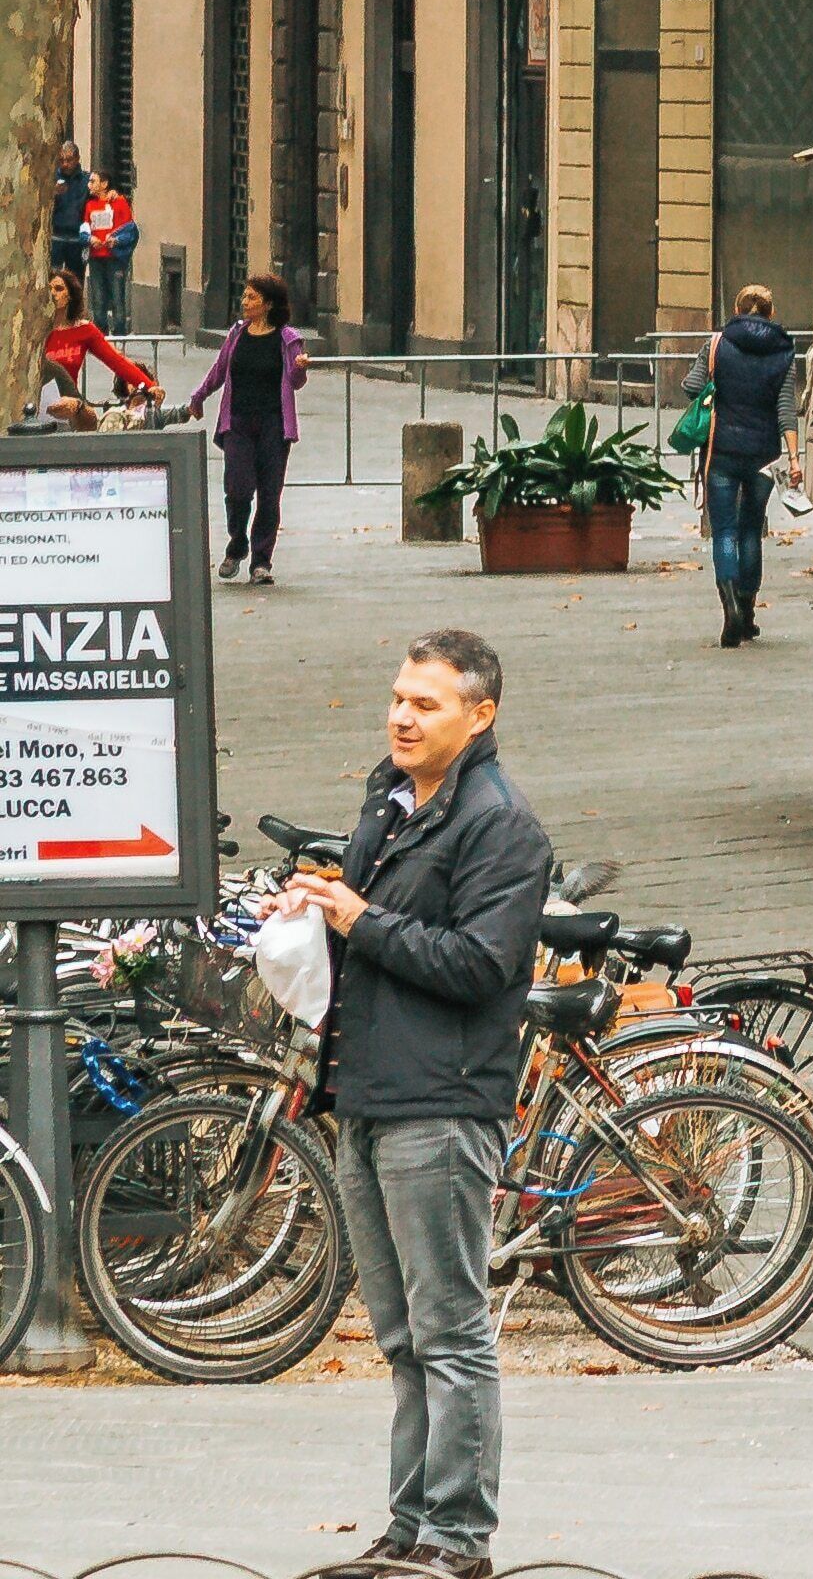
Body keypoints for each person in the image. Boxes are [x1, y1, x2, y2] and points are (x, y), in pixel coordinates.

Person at [280, 628, 552, 1579]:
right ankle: (406, 1531)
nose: (402, 715)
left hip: (440, 1102)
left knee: (450, 1331)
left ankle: (458, 1540)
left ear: (480, 716)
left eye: (426, 703)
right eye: (398, 695)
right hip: (366, 1091)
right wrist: (320, 903)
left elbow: (483, 965)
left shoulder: (499, 824)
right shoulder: (389, 799)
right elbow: (371, 916)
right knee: (400, 1336)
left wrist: (364, 918)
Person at [693, 283, 800, 648]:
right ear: (770, 313)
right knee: (751, 530)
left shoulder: (717, 345)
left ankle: (729, 610)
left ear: (738, 310)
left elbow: (692, 386)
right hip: (764, 457)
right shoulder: (783, 351)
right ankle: (748, 610)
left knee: (724, 530)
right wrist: (795, 458)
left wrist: (713, 391)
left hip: (721, 450)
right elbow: (786, 410)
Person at [185, 271, 307, 584]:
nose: (245, 301)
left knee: (269, 494)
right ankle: (237, 541)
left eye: (252, 297)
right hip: (237, 422)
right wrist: (199, 397)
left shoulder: (288, 339)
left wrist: (299, 368)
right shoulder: (237, 334)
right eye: (245, 295)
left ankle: (261, 562)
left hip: (273, 425)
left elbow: (295, 383)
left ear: (268, 304)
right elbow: (220, 370)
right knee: (237, 489)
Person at [36, 270, 159, 420]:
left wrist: (149, 385)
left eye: (59, 289)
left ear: (70, 296)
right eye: (49, 289)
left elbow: (116, 361)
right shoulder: (35, 331)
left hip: (67, 406)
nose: (53, 294)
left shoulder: (84, 330)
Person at [79, 169, 139, 331]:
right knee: (98, 298)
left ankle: (119, 335)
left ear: (104, 184)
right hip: (96, 257)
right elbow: (84, 229)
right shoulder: (90, 204)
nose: (89, 184)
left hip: (115, 257)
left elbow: (130, 230)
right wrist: (90, 239)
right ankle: (101, 335)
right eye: (89, 181)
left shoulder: (119, 202)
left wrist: (116, 240)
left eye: (93, 181)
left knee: (118, 296)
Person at [49, 139, 89, 287]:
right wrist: (52, 193)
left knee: (75, 282)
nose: (65, 164)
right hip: (55, 237)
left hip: (77, 239)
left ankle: (74, 310)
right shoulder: (51, 180)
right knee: (53, 281)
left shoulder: (87, 180)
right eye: (62, 160)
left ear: (77, 159)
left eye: (69, 160)